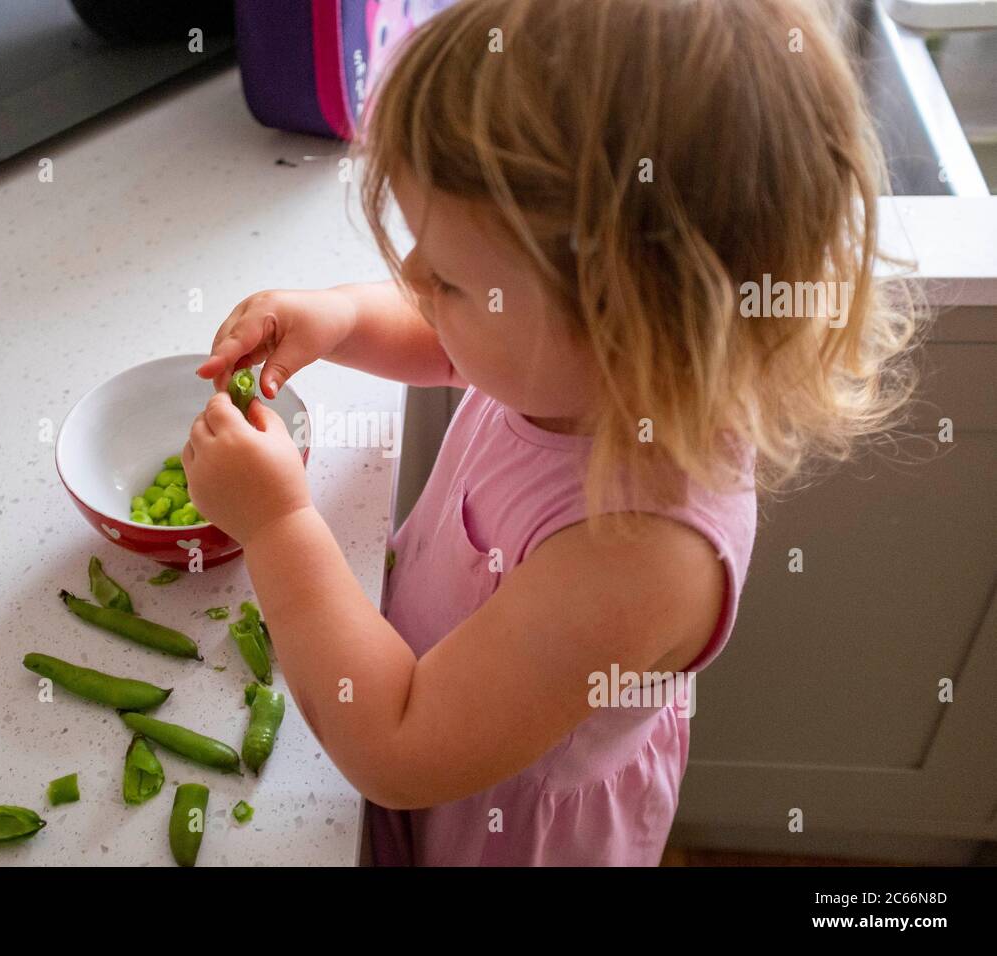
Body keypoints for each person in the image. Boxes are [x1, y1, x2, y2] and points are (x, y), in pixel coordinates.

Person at [181, 0, 917, 865]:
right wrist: (340, 317)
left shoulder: (641, 555)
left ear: (621, 321)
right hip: (448, 709)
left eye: (450, 278)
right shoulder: (585, 367)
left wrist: (276, 524)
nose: (414, 277)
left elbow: (399, 744)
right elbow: (459, 343)